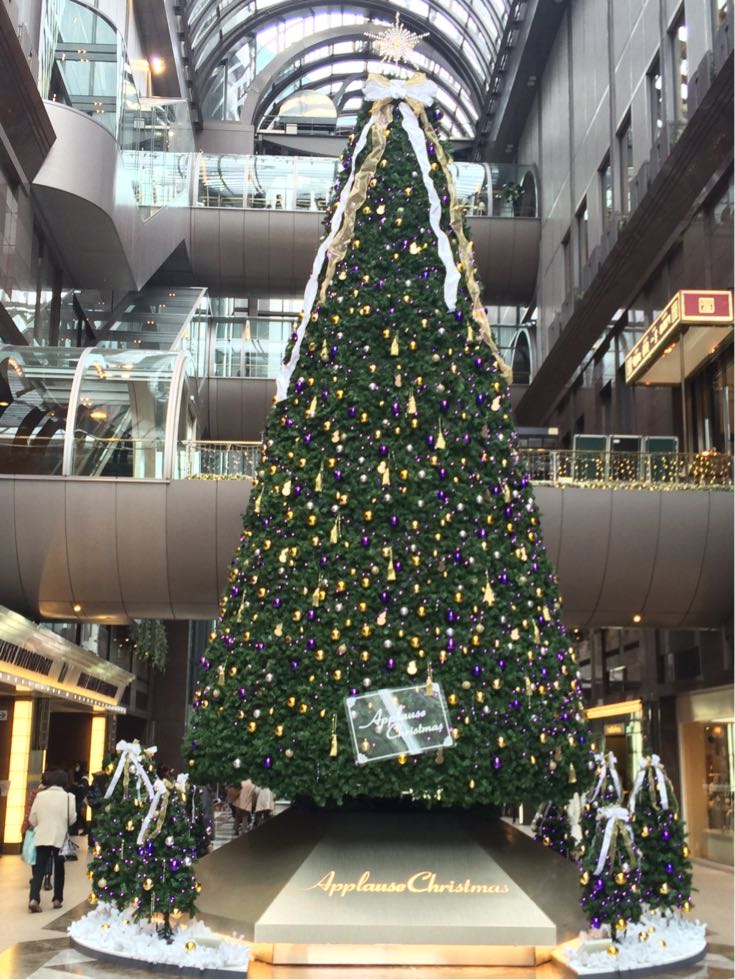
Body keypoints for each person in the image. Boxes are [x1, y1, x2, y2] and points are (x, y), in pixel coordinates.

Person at [27, 769, 75, 912]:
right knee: (59, 869)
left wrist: (41, 824)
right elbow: (72, 819)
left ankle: (34, 899)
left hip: (42, 836)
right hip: (60, 837)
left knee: (39, 869)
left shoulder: (40, 796)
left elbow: (32, 818)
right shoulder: (69, 797)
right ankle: (57, 899)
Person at [22, 773, 53, 891]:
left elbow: (29, 811)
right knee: (49, 854)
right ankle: (47, 879)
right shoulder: (53, 794)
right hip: (49, 827)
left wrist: (25, 826)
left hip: (36, 827)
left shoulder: (35, 793)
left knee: (35, 852)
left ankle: (36, 878)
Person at [70, 762, 89, 835]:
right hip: (79, 798)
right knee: (79, 815)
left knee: (79, 815)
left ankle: (80, 829)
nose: (76, 768)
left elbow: (82, 789)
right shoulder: (80, 777)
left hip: (80, 799)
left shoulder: (83, 779)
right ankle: (83, 829)